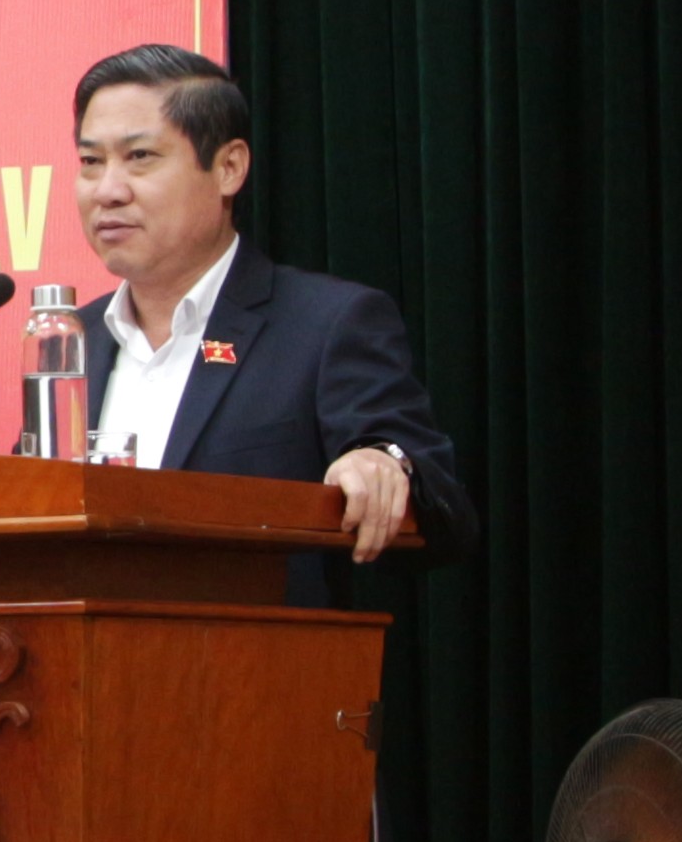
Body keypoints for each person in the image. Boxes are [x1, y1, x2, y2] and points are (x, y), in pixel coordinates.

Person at [69, 42, 478, 594]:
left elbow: (444, 510)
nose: (108, 191)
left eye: (140, 156)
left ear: (229, 168)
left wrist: (385, 463)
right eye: (91, 162)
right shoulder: (73, 340)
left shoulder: (326, 324)